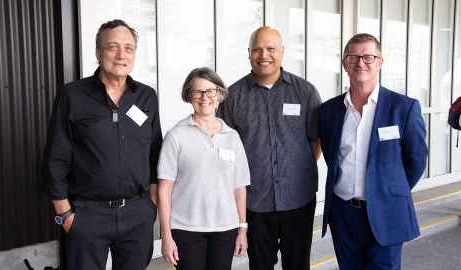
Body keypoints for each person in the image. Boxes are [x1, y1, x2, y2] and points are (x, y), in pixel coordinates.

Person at [44, 19, 162, 270]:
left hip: (137, 214)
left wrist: (150, 207)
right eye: (112, 47)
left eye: (128, 48)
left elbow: (154, 154)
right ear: (98, 53)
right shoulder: (72, 95)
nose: (121, 55)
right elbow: (56, 158)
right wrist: (65, 215)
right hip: (87, 215)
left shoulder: (146, 97)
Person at [318, 33, 428, 270]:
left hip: (386, 212)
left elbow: (416, 159)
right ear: (345, 63)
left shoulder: (404, 108)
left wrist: (388, 191)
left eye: (368, 57)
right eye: (354, 57)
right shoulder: (329, 111)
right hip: (344, 214)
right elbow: (332, 156)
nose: (360, 63)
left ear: (380, 62)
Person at [218, 26, 321, 270]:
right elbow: (226, 151)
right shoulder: (232, 96)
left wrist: (292, 175)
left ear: (282, 52)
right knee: (260, 265)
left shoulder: (305, 92)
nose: (264, 55)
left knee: (297, 265)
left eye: (271, 49)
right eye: (257, 49)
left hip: (298, 199)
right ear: (249, 53)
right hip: (254, 203)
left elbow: (315, 141)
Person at [157, 67, 250, 270]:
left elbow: (239, 187)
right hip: (186, 229)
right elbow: (164, 189)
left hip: (225, 229)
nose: (204, 96)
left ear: (219, 94)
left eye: (210, 91)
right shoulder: (176, 136)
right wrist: (166, 235)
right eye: (197, 91)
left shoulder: (232, 136)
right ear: (189, 96)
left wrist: (242, 229)